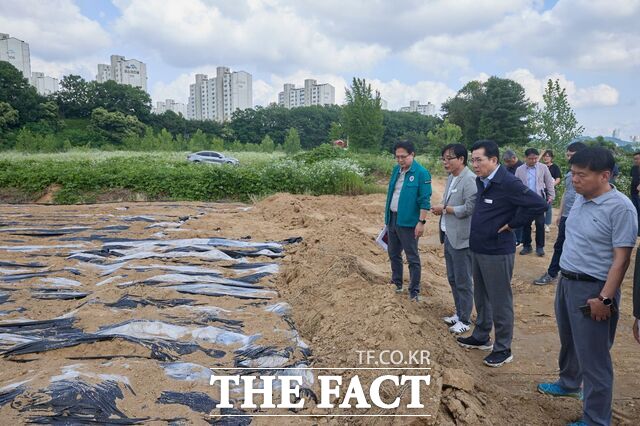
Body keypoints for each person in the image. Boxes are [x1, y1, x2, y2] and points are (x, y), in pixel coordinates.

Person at [537, 147, 637, 426]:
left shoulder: (620, 208)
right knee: (570, 342)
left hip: (593, 289)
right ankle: (569, 383)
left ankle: (596, 419)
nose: (574, 180)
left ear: (604, 176)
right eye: (572, 174)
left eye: (581, 175)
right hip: (568, 282)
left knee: (594, 359)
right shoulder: (581, 199)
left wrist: (604, 298)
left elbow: (622, 260)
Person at [456, 140, 547, 367]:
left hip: (497, 251)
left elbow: (539, 205)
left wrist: (513, 224)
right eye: (473, 159)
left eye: (479, 160)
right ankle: (481, 335)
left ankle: (503, 348)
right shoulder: (481, 180)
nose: (475, 164)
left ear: (494, 160)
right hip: (479, 247)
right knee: (482, 295)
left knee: (500, 300)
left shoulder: (508, 182)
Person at [431, 144, 477, 334]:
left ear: (461, 159)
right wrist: (442, 208)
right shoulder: (451, 178)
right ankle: (459, 313)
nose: (445, 162)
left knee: (463, 280)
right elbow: (449, 202)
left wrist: (446, 209)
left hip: (462, 238)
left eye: (449, 158)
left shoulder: (470, 179)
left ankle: (465, 319)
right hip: (449, 235)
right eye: (443, 158)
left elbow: (469, 208)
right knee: (452, 278)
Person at [384, 140, 432, 302]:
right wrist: (388, 219)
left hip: (409, 222)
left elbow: (424, 200)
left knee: (412, 257)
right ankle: (397, 282)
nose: (399, 160)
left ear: (412, 155)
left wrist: (421, 222)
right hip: (393, 218)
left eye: (403, 157)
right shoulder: (396, 170)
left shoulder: (421, 173)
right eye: (397, 157)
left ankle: (414, 290)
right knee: (393, 253)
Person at [534, 142, 588, 286]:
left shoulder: (587, 176)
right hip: (567, 216)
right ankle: (552, 273)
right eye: (568, 154)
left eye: (571, 155)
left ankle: (571, 274)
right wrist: (561, 214)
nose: (568, 157)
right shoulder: (570, 173)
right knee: (560, 244)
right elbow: (567, 193)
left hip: (579, 217)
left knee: (576, 246)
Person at [515, 148, 555, 256]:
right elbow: (516, 185)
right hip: (525, 201)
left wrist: (551, 196)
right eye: (530, 159)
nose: (533, 161)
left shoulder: (543, 168)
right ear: (525, 158)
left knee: (540, 223)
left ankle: (540, 247)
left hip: (539, 200)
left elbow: (549, 182)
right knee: (526, 224)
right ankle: (527, 246)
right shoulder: (519, 170)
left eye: (535, 158)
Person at [503, 150, 524, 245]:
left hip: (519, 196)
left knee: (518, 217)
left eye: (508, 161)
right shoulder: (506, 167)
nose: (507, 164)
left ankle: (519, 239)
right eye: (505, 162)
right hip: (508, 196)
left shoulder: (522, 167)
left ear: (514, 158)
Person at [542, 150, 562, 233]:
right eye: (544, 156)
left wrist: (551, 185)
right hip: (541, 190)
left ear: (551, 158)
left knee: (548, 207)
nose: (546, 158)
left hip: (550, 190)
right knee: (539, 207)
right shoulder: (540, 166)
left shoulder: (555, 167)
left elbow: (558, 178)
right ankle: (540, 224)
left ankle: (547, 225)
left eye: (548, 156)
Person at [630, 152, 640, 232]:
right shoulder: (634, 168)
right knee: (635, 211)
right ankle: (635, 229)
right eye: (635, 159)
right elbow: (632, 178)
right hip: (633, 193)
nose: (635, 160)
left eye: (637, 159)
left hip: (639, 194)